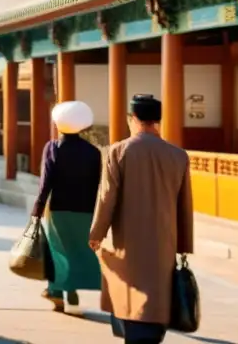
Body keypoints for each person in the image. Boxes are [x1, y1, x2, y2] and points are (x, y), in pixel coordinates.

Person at [89, 94, 193, 344]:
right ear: (158, 120)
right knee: (157, 298)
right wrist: (183, 245)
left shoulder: (118, 151)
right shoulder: (178, 155)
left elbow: (106, 199)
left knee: (131, 297)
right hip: (164, 242)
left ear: (133, 119)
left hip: (129, 241)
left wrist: (96, 234)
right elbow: (184, 206)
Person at [32, 101, 102, 313]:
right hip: (86, 209)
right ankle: (70, 291)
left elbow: (46, 182)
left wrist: (38, 206)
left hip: (59, 208)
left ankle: (58, 292)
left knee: (58, 251)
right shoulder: (93, 152)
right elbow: (97, 184)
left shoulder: (52, 148)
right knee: (78, 249)